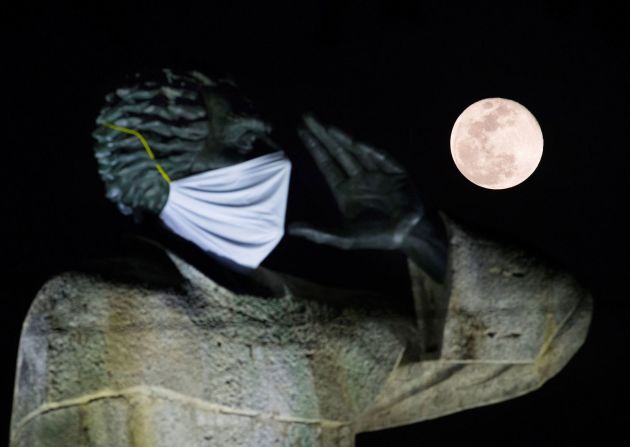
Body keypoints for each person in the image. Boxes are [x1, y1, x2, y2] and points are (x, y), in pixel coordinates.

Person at [10, 69, 591, 447]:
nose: (273, 159)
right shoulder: (98, 309)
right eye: (241, 142)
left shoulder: (329, 332)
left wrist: (424, 239)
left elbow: (547, 333)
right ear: (153, 171)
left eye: (267, 139)